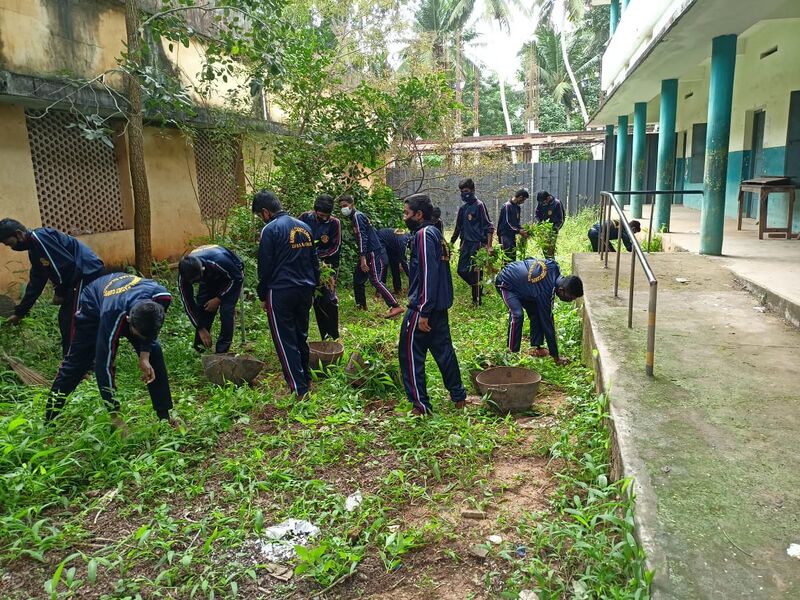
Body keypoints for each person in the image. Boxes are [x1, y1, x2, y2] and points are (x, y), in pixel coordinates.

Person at [48, 273, 176, 429]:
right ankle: (49, 422)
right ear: (128, 321)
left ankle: (164, 417)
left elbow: (151, 333)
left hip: (127, 298)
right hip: (93, 302)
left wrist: (145, 356)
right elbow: (104, 365)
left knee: (154, 350)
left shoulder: (162, 298)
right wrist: (115, 415)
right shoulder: (111, 315)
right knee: (76, 364)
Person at [398, 194, 467, 415]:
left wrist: (423, 311)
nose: (404, 217)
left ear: (419, 215)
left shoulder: (424, 234)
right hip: (439, 307)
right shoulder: (435, 233)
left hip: (422, 308)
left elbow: (429, 273)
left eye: (407, 213)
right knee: (443, 351)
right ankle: (458, 397)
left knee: (409, 354)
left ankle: (420, 405)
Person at [0, 219, 105, 356]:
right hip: (77, 276)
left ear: (19, 234)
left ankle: (79, 364)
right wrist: (20, 312)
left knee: (71, 319)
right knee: (72, 318)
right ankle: (81, 360)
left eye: (11, 243)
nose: (12, 248)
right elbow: (36, 282)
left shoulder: (41, 239)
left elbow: (64, 266)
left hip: (86, 273)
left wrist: (60, 293)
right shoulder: (34, 249)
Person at [253, 190, 319, 397]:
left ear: (265, 212)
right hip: (305, 290)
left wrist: (263, 295)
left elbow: (265, 267)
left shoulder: (270, 230)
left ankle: (298, 389)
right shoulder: (305, 227)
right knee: (301, 335)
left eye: (259, 216)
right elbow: (314, 262)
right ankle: (306, 379)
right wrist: (314, 286)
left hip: (281, 291)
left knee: (284, 340)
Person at [495, 258, 584, 364]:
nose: (571, 300)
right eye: (571, 298)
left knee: (537, 311)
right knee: (517, 314)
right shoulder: (546, 291)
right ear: (561, 290)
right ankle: (511, 353)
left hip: (524, 286)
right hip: (505, 283)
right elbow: (548, 324)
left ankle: (537, 347)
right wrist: (556, 357)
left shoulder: (554, 266)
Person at [339, 195, 404, 318]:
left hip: (372, 252)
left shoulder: (357, 217)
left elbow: (362, 237)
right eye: (341, 207)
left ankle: (395, 306)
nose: (343, 209)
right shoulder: (355, 217)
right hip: (367, 252)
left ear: (352, 204)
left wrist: (363, 258)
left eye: (345, 206)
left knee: (375, 280)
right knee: (358, 278)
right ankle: (361, 306)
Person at [177, 245, 244, 354]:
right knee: (203, 307)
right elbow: (188, 302)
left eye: (197, 280)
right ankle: (200, 348)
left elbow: (237, 279)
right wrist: (200, 327)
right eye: (193, 282)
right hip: (209, 277)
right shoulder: (183, 274)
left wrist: (219, 299)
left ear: (201, 270)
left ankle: (222, 351)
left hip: (232, 276)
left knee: (226, 311)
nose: (195, 283)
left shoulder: (220, 261)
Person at [299, 194, 342, 340]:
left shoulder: (334, 223)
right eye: (321, 215)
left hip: (327, 266)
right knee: (316, 300)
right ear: (315, 211)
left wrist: (318, 258)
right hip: (307, 266)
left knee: (328, 299)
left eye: (326, 216)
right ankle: (324, 335)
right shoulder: (304, 218)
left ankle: (334, 336)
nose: (323, 218)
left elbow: (335, 247)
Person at [450, 178, 494, 305]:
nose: (464, 194)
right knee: (461, 270)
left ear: (473, 190)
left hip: (478, 244)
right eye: (462, 191)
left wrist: (489, 246)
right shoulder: (463, 209)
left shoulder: (479, 205)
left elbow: (489, 227)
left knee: (475, 272)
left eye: (467, 191)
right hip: (466, 244)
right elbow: (457, 228)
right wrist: (450, 244)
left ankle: (476, 300)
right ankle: (477, 287)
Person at [497, 189, 530, 261]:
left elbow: (516, 223)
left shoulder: (517, 207)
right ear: (520, 197)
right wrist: (519, 231)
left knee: (513, 257)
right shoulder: (507, 206)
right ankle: (505, 272)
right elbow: (507, 223)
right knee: (507, 257)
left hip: (512, 235)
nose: (523, 202)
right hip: (505, 235)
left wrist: (523, 229)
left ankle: (512, 272)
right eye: (523, 200)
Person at [377, 227, 410, 295]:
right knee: (384, 263)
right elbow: (404, 262)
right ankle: (380, 290)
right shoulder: (404, 242)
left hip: (392, 244)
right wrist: (412, 277)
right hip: (380, 239)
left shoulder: (409, 237)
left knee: (395, 264)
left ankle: (397, 289)